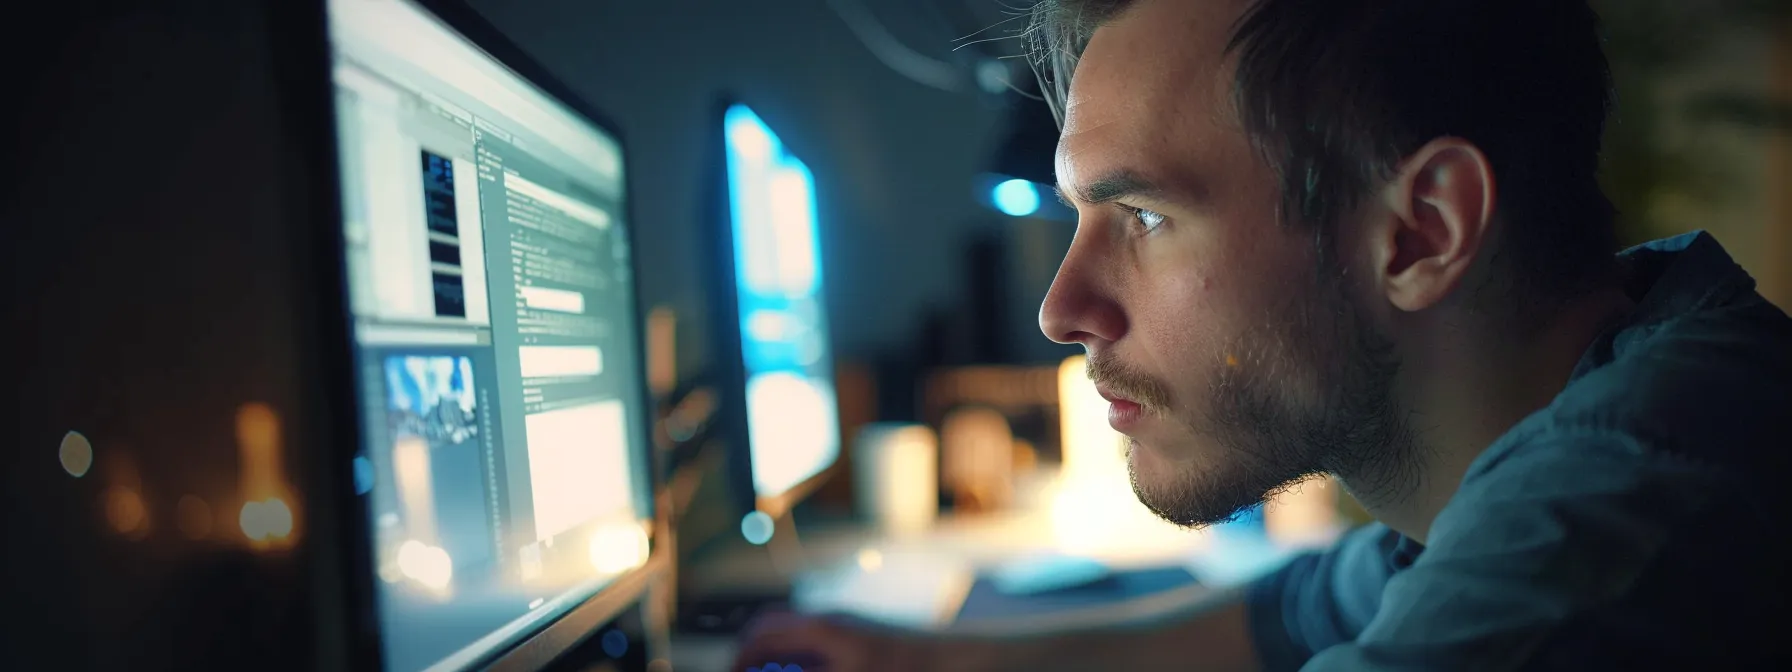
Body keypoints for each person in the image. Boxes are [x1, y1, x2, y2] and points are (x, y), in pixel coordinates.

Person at [734, 0, 1792, 669]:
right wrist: (919, 660)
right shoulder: (1592, 387)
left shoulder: (1609, 534)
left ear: (1420, 231)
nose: (1061, 310)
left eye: (1142, 217)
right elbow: (1286, 615)